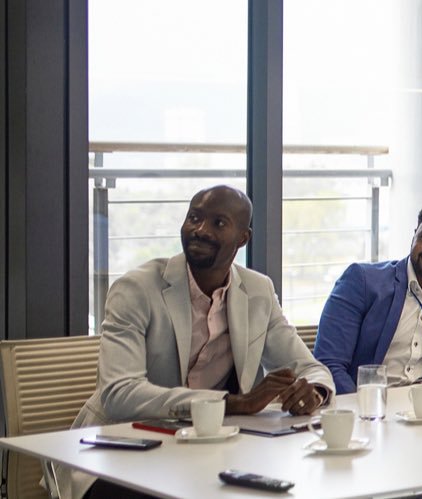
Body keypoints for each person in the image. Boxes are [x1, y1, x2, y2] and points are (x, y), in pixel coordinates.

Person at [68, 186, 333, 499]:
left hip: (211, 452)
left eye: (219, 223)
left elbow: (309, 367)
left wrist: (313, 391)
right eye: (194, 218)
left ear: (243, 238)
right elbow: (119, 393)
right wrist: (231, 404)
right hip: (123, 449)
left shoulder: (257, 291)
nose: (201, 230)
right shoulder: (137, 289)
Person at [314, 202, 422, 393]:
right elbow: (329, 363)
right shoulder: (362, 280)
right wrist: (365, 409)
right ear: (414, 235)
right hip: (365, 408)